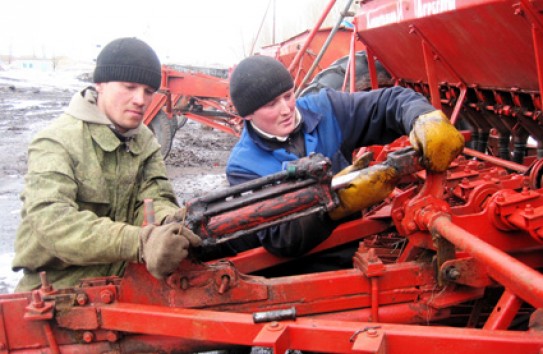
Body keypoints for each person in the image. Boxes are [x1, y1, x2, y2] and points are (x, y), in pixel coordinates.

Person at [215, 55, 464, 270]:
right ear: (247, 114)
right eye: (271, 104)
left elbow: (387, 103)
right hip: (302, 269)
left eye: (288, 95)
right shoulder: (243, 166)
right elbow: (280, 238)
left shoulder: (326, 109)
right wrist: (337, 204)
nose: (286, 109)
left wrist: (422, 118)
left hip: (350, 251)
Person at [12, 37, 201, 292]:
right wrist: (139, 242)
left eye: (148, 91)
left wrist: (169, 222)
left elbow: (154, 195)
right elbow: (53, 223)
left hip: (124, 283)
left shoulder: (144, 139)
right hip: (59, 289)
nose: (140, 100)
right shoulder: (57, 141)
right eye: (129, 86)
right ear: (100, 84)